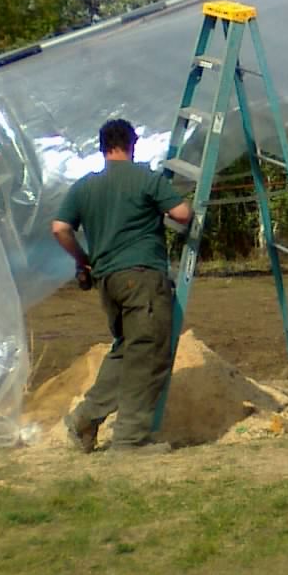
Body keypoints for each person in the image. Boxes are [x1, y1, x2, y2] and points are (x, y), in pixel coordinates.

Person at [52, 119, 193, 452]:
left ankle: (84, 420)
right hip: (142, 278)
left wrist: (83, 259)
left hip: (109, 282)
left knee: (127, 350)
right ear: (133, 143)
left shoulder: (85, 187)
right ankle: (130, 441)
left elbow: (59, 228)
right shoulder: (144, 178)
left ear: (102, 147)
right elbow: (183, 213)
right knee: (148, 356)